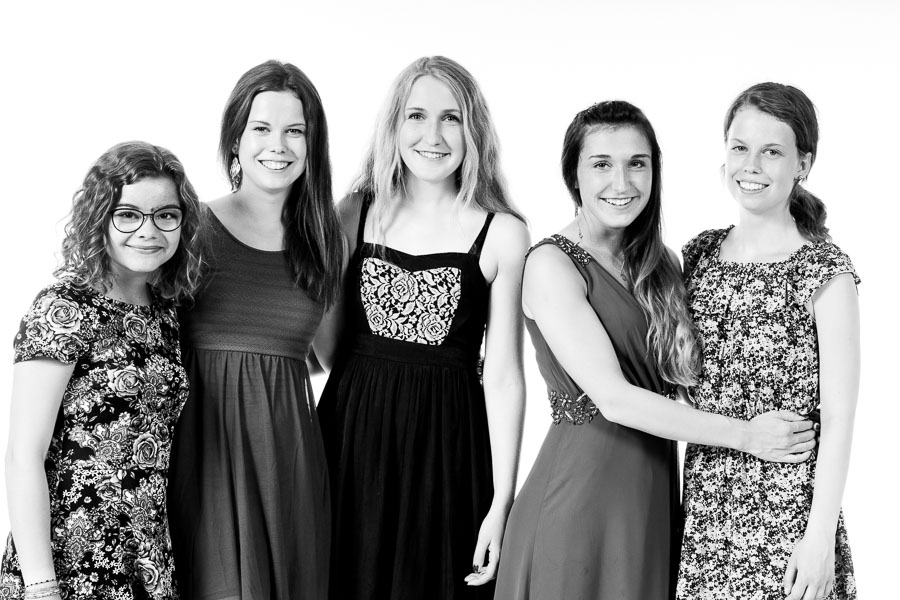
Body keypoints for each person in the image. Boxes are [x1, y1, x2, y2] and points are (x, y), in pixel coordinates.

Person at [492, 101, 819, 600]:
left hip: (652, 497)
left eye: (637, 164)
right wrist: (749, 436)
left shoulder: (661, 263)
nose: (621, 182)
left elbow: (698, 376)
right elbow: (615, 399)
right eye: (601, 164)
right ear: (573, 176)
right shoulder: (551, 265)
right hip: (579, 500)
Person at [316, 56, 529, 600]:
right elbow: (327, 348)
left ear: (473, 130)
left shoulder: (502, 232)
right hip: (351, 441)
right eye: (416, 115)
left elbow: (504, 375)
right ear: (394, 125)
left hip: (448, 448)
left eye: (451, 118)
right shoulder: (353, 213)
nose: (432, 135)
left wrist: (502, 500)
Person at [167, 60, 344, 600]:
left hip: (286, 459)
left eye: (295, 131)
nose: (278, 145)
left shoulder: (325, 242)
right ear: (235, 138)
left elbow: (332, 356)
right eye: (262, 128)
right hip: (201, 454)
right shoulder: (190, 228)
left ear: (313, 144)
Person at [677, 83, 859, 600]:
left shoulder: (824, 271)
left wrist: (819, 539)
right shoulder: (699, 255)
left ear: (803, 164)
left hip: (789, 512)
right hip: (707, 510)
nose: (751, 165)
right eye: (740, 147)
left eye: (772, 151)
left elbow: (839, 417)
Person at [0, 141, 205, 600]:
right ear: (99, 218)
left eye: (165, 215)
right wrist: (41, 586)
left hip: (148, 554)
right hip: (70, 559)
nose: (148, 231)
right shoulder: (64, 307)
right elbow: (22, 455)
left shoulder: (166, 311)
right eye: (128, 215)